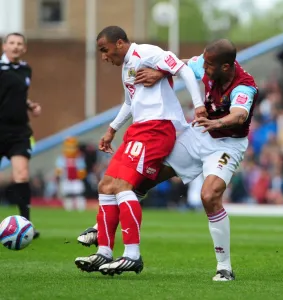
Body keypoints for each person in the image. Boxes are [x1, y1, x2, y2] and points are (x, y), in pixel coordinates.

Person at [77, 38, 258, 281]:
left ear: (226, 67)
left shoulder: (244, 86)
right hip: (199, 134)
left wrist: (216, 122)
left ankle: (224, 267)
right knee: (142, 180)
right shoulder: (208, 64)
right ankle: (102, 231)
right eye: (203, 63)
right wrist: (159, 72)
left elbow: (238, 115)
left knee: (209, 195)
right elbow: (182, 65)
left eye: (208, 66)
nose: (203, 69)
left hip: (227, 145)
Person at [74, 26, 206, 275]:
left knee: (123, 186)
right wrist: (112, 129)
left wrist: (198, 105)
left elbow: (184, 69)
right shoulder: (126, 67)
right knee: (106, 185)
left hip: (158, 128)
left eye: (105, 50)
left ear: (120, 43)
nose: (104, 56)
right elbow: (130, 102)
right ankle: (104, 252)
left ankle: (132, 255)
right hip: (139, 129)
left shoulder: (146, 52)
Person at [0, 33, 42, 238]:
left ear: (24, 48)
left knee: (22, 175)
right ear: (4, 46)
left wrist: (29, 105)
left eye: (19, 44)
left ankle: (26, 224)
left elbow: (18, 96)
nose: (15, 47)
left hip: (18, 131)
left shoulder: (26, 69)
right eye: (12, 43)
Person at [55, 137, 87, 211]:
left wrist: (81, 172)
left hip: (76, 179)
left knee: (79, 193)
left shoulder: (78, 157)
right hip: (66, 179)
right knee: (67, 194)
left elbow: (82, 167)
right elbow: (59, 168)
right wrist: (59, 172)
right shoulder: (62, 158)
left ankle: (81, 208)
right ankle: (68, 208)